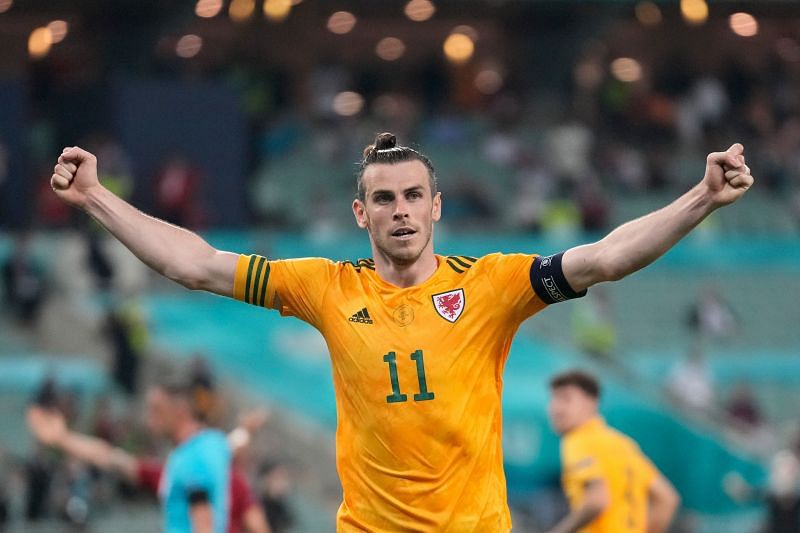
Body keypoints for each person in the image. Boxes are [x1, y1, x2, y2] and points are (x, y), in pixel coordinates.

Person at [49, 133, 753, 530]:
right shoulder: (326, 288)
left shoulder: (491, 286)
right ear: (361, 213)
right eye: (383, 198)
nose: (401, 210)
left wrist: (702, 197)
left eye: (414, 195)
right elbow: (198, 264)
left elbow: (604, 257)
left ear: (436, 204)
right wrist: (94, 197)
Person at [26, 400, 269, 533]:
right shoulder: (227, 477)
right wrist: (63, 439)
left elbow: (111, 457)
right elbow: (111, 457)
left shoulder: (192, 470)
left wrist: (63, 439)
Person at [547, 370, 680, 533]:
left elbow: (597, 500)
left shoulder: (578, 439)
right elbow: (667, 499)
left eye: (565, 399)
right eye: (553, 398)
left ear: (592, 402)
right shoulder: (624, 444)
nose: (555, 408)